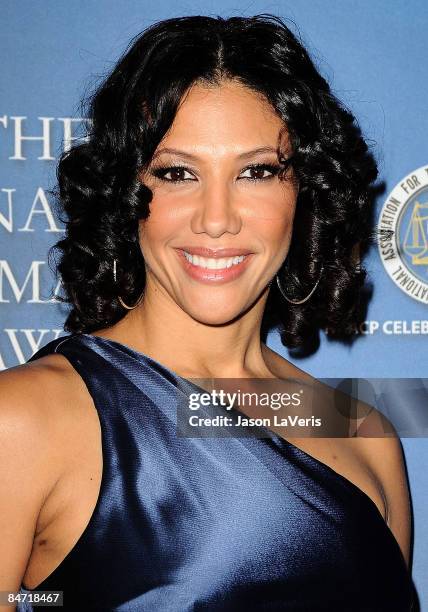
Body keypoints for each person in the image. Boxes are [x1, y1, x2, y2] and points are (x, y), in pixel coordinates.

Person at [0, 13, 416, 612]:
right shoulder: (24, 421)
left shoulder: (365, 435)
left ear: (305, 191)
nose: (216, 218)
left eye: (257, 172)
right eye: (176, 174)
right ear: (125, 193)